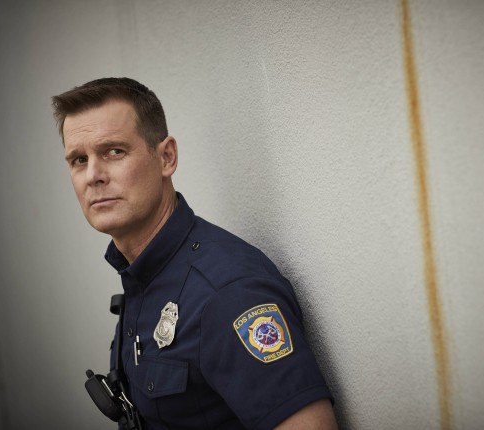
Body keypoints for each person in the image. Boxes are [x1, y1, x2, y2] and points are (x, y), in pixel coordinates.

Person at [52, 77, 337, 430]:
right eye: (79, 160)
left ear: (166, 157)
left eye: (114, 151)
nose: (93, 175)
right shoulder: (143, 274)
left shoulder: (227, 293)